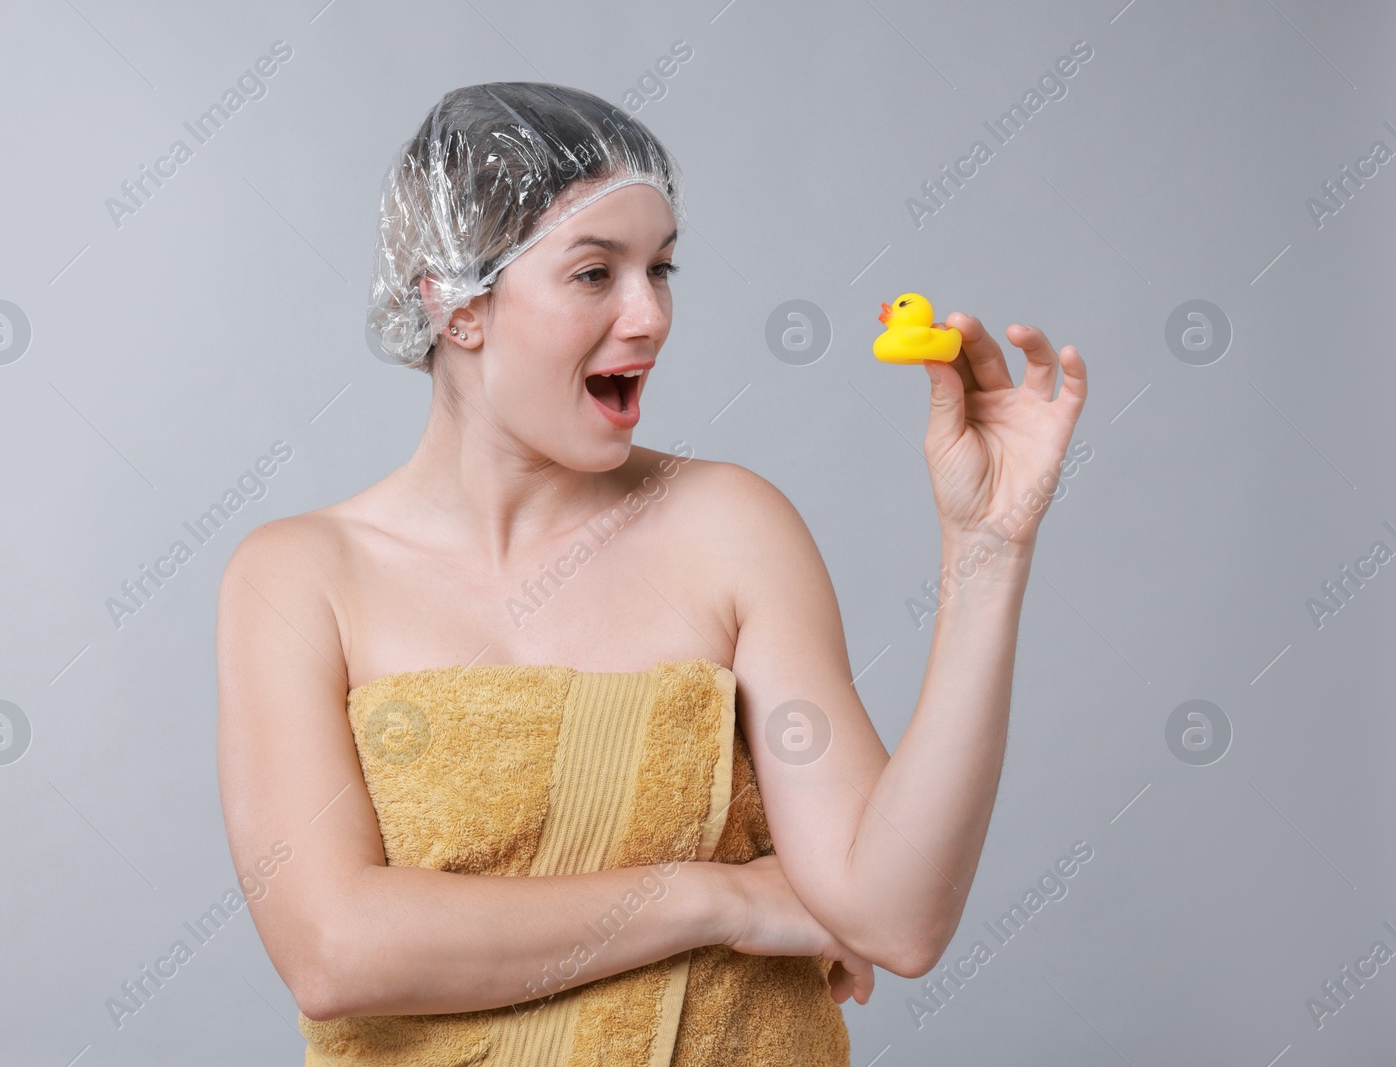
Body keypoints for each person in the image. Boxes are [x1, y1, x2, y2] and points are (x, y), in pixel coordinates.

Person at [215, 81, 1087, 1065]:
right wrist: (720, 896)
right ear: (455, 302)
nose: (650, 316)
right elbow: (336, 950)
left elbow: (896, 917)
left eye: (661, 269)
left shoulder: (729, 528)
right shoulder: (297, 578)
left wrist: (986, 550)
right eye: (595, 273)